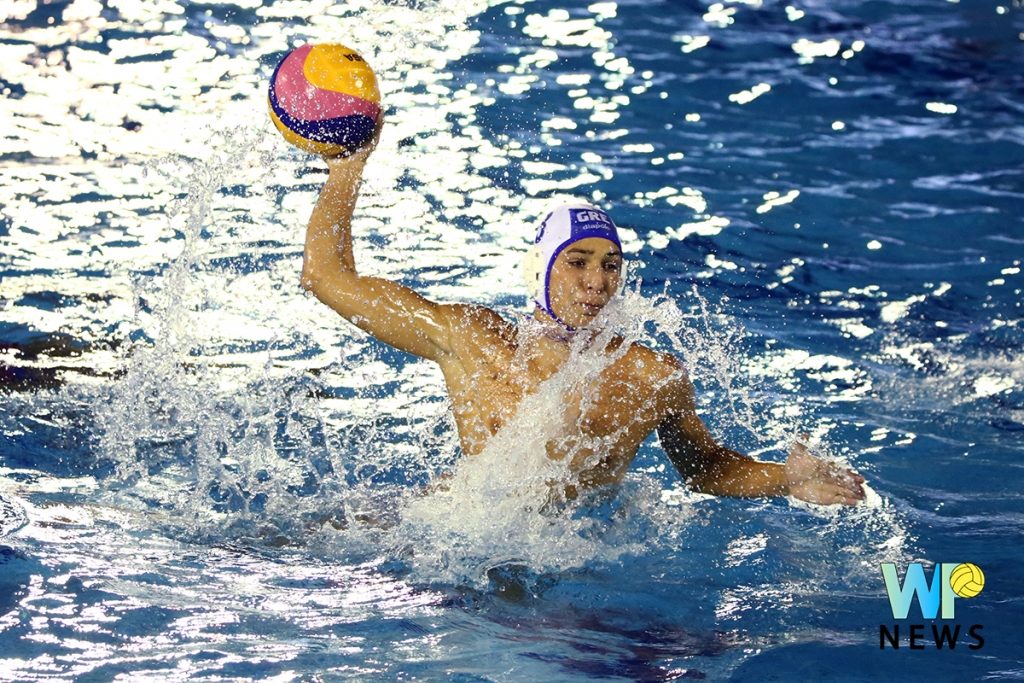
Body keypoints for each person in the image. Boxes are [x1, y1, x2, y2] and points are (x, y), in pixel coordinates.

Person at [298, 126, 866, 508]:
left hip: (571, 557)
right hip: (452, 535)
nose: (597, 283)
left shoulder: (650, 376)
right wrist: (348, 167)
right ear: (541, 269)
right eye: (577, 262)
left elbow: (705, 468)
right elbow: (327, 278)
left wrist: (786, 478)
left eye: (611, 265)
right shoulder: (470, 339)